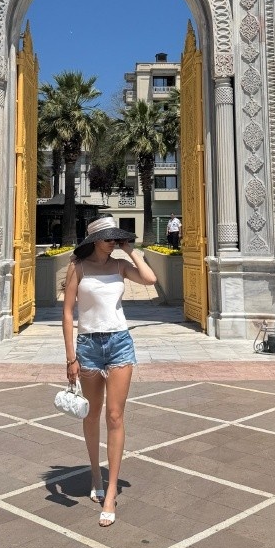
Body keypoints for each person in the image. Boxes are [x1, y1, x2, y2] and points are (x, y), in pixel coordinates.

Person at [62, 215, 157, 528]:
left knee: (115, 416)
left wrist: (131, 251)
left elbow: (150, 280)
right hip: (88, 345)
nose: (113, 242)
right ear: (93, 240)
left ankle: (111, 490)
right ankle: (95, 475)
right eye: (108, 237)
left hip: (119, 343)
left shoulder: (120, 265)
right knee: (92, 415)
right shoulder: (78, 267)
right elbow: (67, 313)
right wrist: (71, 357)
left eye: (116, 237)